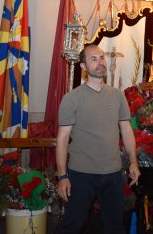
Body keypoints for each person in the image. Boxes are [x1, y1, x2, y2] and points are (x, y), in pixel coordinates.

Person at [54, 44, 140, 234]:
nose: (100, 62)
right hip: (81, 173)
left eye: (101, 57)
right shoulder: (72, 98)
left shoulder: (117, 95)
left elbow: (126, 130)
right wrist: (62, 176)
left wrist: (133, 162)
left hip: (113, 173)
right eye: (93, 59)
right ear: (83, 67)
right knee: (71, 225)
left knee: (115, 226)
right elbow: (62, 140)